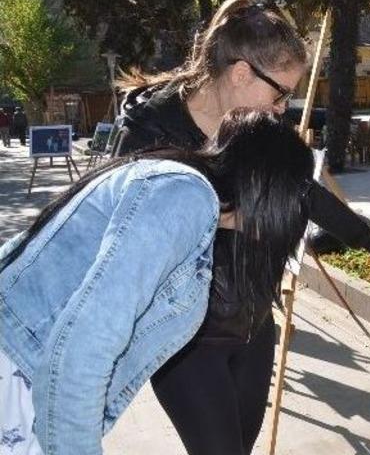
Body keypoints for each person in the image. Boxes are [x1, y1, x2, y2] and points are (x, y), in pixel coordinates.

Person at [113, 0, 370, 455]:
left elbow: (306, 192)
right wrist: (220, 214)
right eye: (281, 92)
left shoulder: (256, 125)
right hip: (183, 338)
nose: (284, 107)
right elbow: (118, 228)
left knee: (241, 446)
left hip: (253, 321)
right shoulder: (148, 131)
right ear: (242, 73)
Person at [0, 108, 317, 455]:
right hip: (20, 369)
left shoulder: (185, 193)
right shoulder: (185, 197)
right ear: (267, 188)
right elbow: (80, 354)